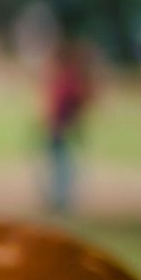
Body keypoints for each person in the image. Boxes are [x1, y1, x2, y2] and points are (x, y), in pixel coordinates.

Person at [41, 37, 94, 214]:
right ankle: (59, 200)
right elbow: (73, 102)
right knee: (62, 166)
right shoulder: (68, 79)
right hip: (59, 129)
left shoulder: (64, 77)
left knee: (60, 165)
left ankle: (57, 199)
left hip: (58, 128)